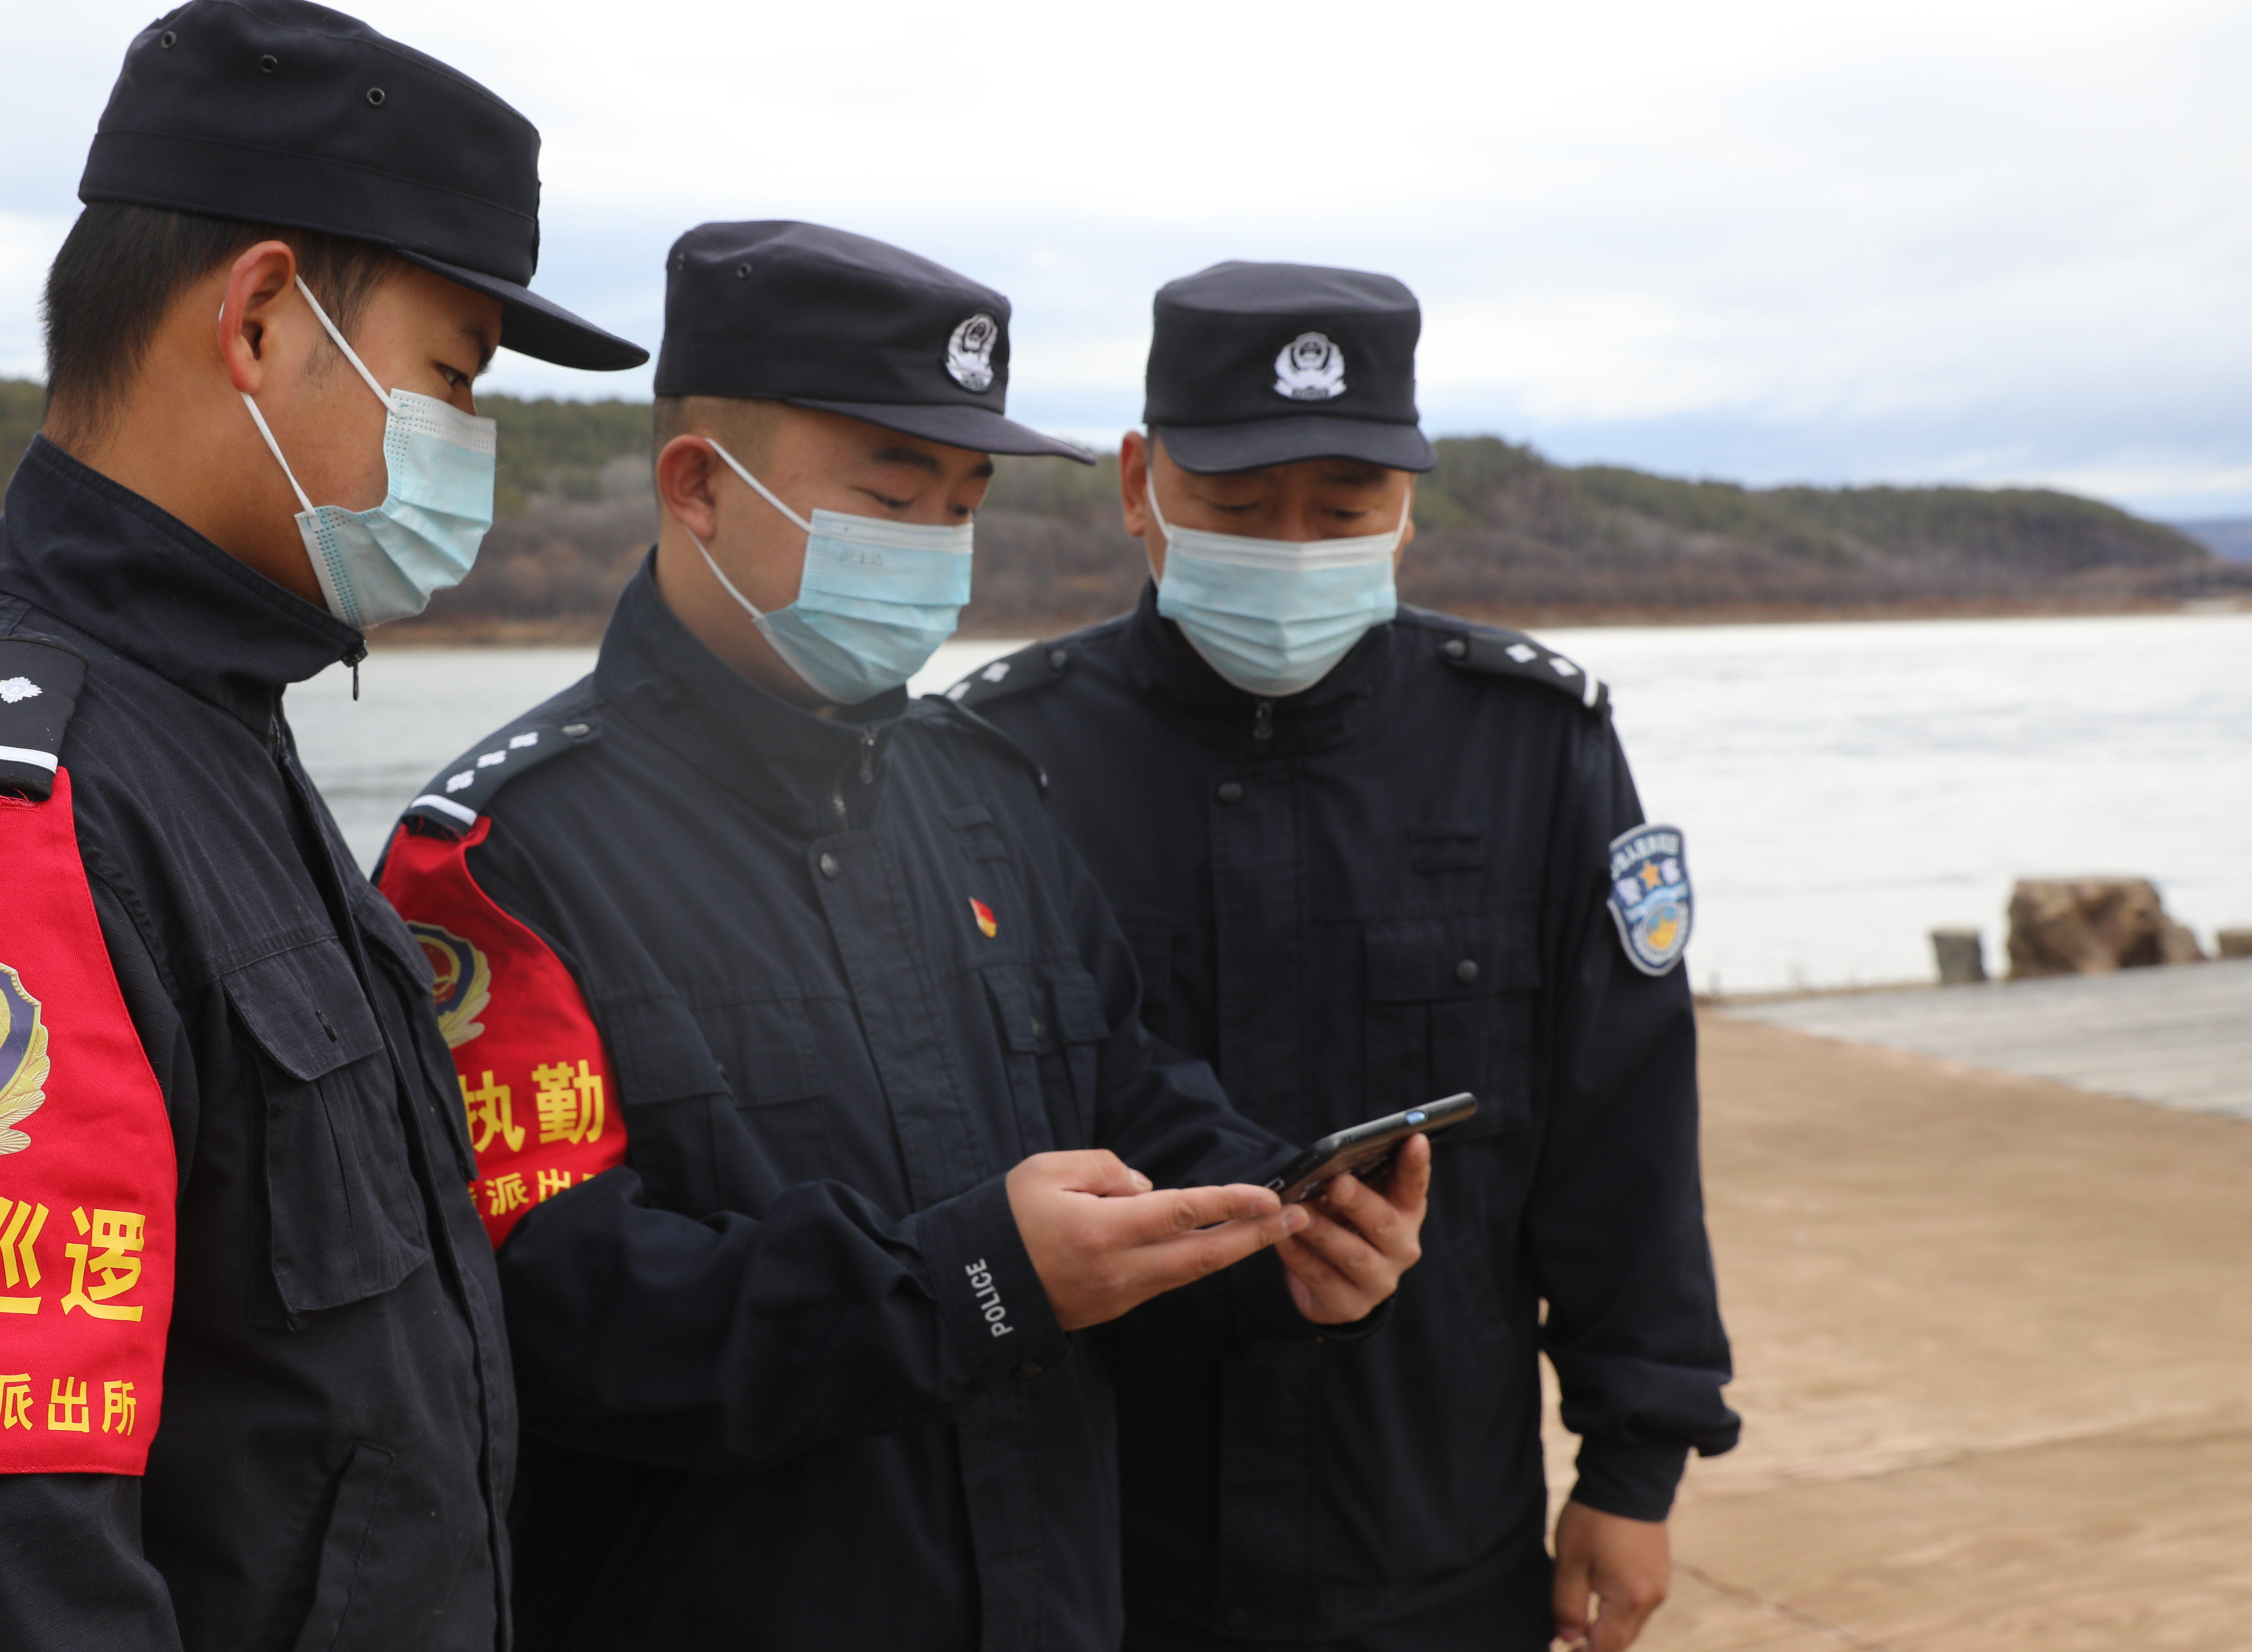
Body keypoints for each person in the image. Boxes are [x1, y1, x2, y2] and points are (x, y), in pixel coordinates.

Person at [0, 5, 645, 1646]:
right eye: (451, 378)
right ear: (262, 319)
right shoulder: (8, 821)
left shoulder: (208, 735)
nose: (469, 444)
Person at [372, 221, 1431, 1652]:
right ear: (698, 486)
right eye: (890, 498)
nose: (933, 548)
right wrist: (972, 1283)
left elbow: (1124, 1090)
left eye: (961, 505)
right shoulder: (505, 861)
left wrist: (1276, 1230)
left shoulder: (979, 794)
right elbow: (548, 1310)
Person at [951, 262, 1739, 1652]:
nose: (1293, 548)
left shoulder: (1533, 748)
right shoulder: (1001, 761)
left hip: (1431, 1530)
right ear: (1139, 484)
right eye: (1240, 507)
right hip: (1104, 1541)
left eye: (1343, 510)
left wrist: (1634, 1466)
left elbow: (1623, 1130)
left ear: (1408, 506)